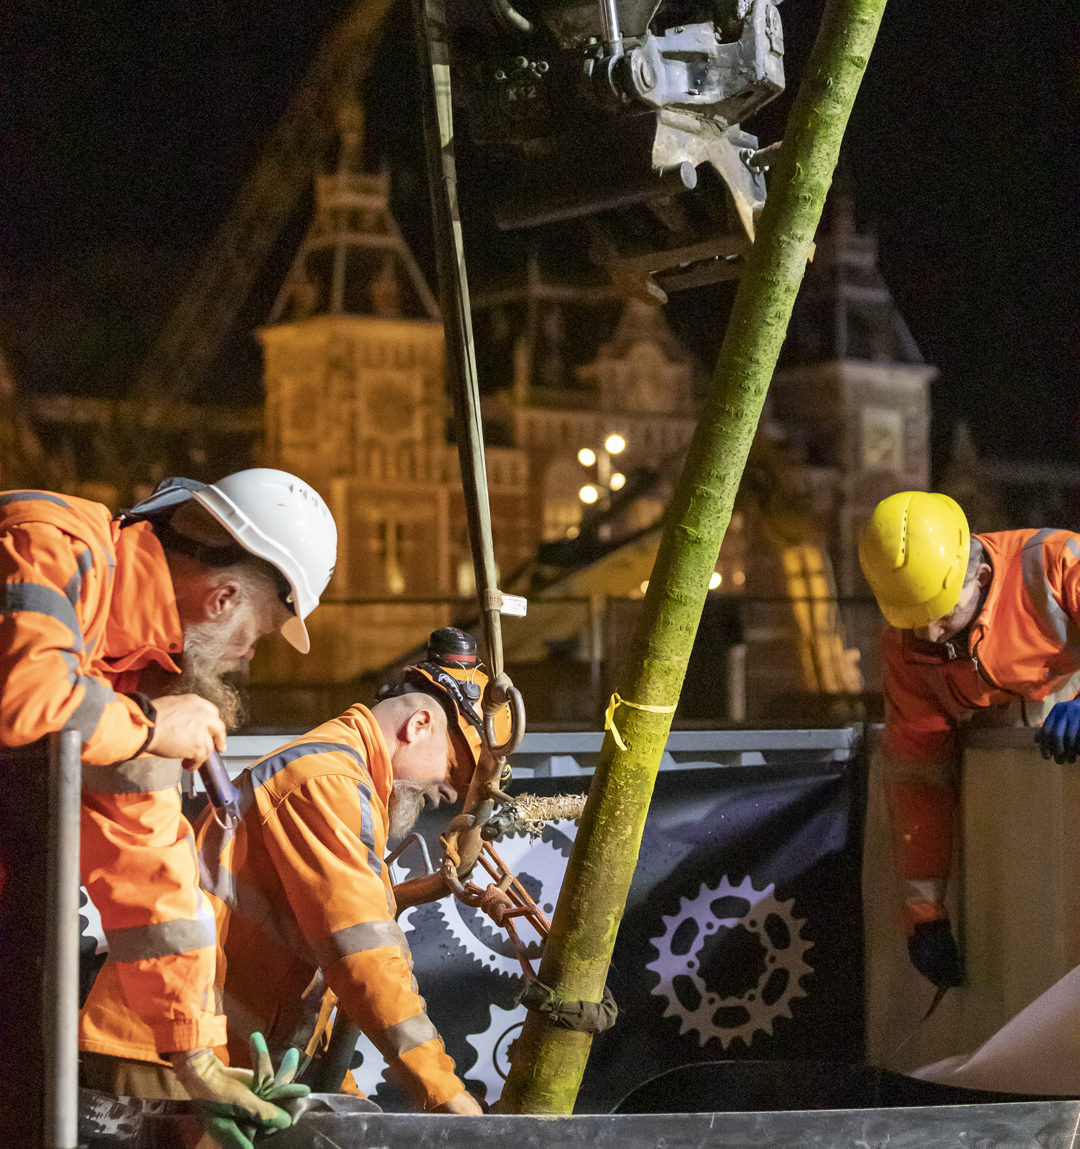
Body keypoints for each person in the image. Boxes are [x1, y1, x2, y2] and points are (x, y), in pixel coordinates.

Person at [0, 468, 337, 1142]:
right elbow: (23, 694)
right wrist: (154, 725)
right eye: (257, 635)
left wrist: (196, 1055)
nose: (243, 658)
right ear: (223, 597)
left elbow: (152, 875)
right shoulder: (51, 541)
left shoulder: (132, 673)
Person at [78, 629, 500, 1114]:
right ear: (420, 724)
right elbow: (362, 953)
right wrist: (449, 1099)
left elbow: (322, 927)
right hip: (169, 1063)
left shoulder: (342, 775)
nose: (451, 791)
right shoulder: (326, 781)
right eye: (455, 767)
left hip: (209, 1059)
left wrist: (421, 891)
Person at [858, 490, 1080, 990]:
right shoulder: (905, 645)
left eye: (942, 614)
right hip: (1036, 844)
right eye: (912, 619)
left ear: (979, 578)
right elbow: (919, 778)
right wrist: (924, 912)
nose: (932, 636)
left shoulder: (1057, 561)